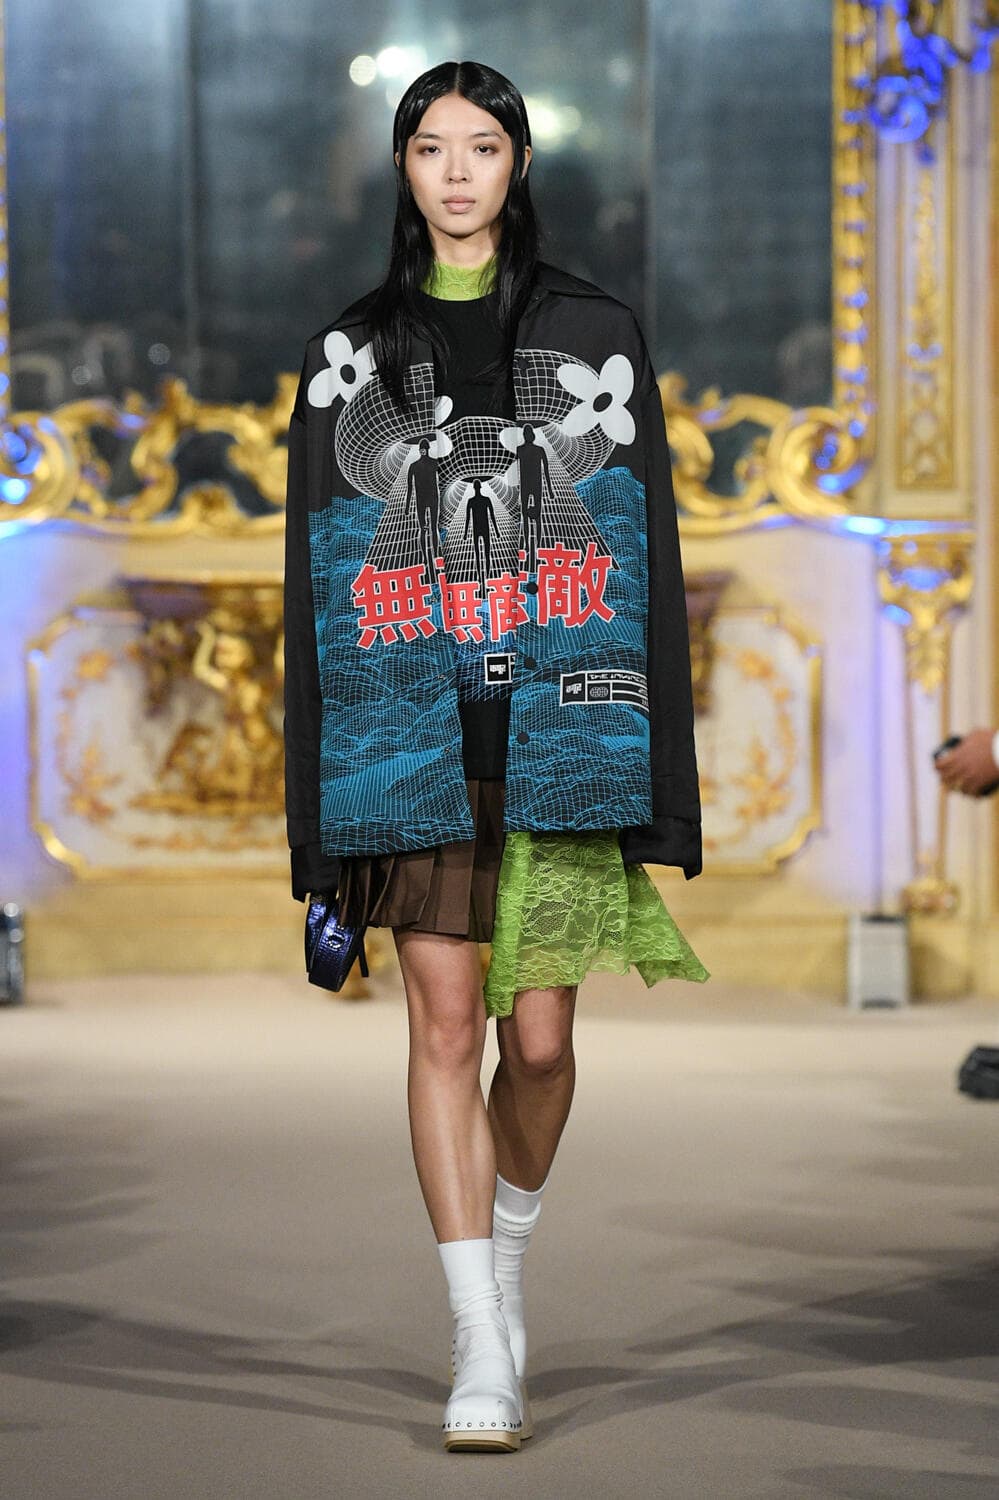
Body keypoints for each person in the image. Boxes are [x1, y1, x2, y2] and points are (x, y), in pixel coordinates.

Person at [282, 59, 708, 1453]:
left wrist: (657, 778)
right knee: (446, 1028)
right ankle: (477, 1336)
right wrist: (320, 812)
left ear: (519, 162)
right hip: (411, 734)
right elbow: (318, 586)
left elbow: (641, 557)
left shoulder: (593, 331)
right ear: (402, 167)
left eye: (481, 146)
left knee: (541, 1044)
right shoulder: (353, 353)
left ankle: (507, 1260)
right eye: (430, 147)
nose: (456, 171)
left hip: (560, 730)